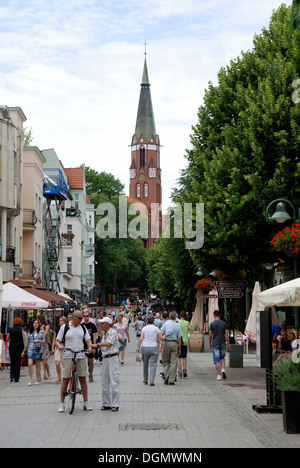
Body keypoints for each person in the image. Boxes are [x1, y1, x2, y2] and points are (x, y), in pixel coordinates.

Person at [55, 310, 93, 412]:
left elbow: (88, 341)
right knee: (66, 379)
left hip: (80, 355)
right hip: (68, 355)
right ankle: (62, 403)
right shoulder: (65, 327)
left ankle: (86, 403)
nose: (82, 320)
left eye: (82, 318)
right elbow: (57, 341)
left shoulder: (83, 328)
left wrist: (89, 347)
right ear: (74, 317)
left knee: (82, 379)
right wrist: (60, 346)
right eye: (80, 318)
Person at [93, 317, 120, 411]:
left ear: (107, 324)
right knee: (104, 381)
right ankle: (106, 403)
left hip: (113, 358)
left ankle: (115, 404)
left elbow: (108, 344)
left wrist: (96, 345)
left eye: (103, 323)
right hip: (105, 358)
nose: (101, 325)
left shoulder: (113, 332)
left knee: (114, 381)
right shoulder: (103, 333)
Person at [137, 314, 163, 386]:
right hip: (153, 347)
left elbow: (141, 339)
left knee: (145, 364)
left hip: (145, 347)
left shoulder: (144, 328)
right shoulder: (156, 329)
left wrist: (138, 348)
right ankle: (151, 380)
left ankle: (145, 379)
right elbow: (161, 338)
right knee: (153, 364)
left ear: (147, 321)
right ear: (153, 321)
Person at [21, 319, 46, 386]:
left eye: (37, 323)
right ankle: (31, 379)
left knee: (38, 365)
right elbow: (27, 342)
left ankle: (37, 378)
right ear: (32, 324)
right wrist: (23, 351)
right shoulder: (30, 333)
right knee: (30, 364)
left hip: (38, 350)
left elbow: (44, 341)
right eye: (35, 323)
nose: (36, 324)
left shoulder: (41, 332)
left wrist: (38, 340)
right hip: (31, 349)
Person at [161, 311, 182, 385]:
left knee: (166, 361)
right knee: (173, 362)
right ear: (176, 317)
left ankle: (166, 377)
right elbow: (179, 339)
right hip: (174, 343)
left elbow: (161, 334)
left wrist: (160, 344)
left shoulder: (165, 324)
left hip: (166, 343)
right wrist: (179, 349)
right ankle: (171, 380)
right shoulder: (177, 326)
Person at [209, 310, 231, 380]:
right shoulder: (224, 324)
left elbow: (210, 335)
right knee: (222, 357)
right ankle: (223, 370)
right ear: (220, 315)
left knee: (216, 359)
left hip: (215, 343)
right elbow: (227, 335)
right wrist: (228, 344)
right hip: (223, 343)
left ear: (214, 316)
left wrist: (210, 343)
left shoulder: (212, 324)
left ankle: (219, 375)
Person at [7, 317, 25, 382]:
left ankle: (11, 376)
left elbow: (7, 337)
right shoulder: (21, 329)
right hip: (20, 347)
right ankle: (16, 378)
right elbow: (24, 338)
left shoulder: (11, 329)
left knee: (12, 362)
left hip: (12, 347)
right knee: (18, 362)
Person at [83, 309, 98, 381]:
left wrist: (94, 346)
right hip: (83, 345)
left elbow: (94, 335)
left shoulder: (92, 325)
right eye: (84, 316)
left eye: (87, 316)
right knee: (82, 361)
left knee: (91, 361)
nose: (86, 317)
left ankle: (91, 374)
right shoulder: (81, 326)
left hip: (90, 345)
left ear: (89, 316)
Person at [51, 316, 67, 384]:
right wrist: (52, 348)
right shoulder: (57, 329)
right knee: (57, 363)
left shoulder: (67, 329)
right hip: (57, 347)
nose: (60, 322)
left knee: (64, 363)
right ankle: (59, 377)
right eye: (60, 321)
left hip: (64, 347)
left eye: (62, 321)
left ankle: (65, 377)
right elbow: (54, 339)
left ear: (65, 322)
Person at [38, 314, 52, 380]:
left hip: (44, 344)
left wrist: (42, 329)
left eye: (38, 320)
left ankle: (47, 372)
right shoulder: (37, 326)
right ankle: (39, 376)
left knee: (44, 361)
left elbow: (45, 334)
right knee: (38, 361)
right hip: (38, 344)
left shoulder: (47, 326)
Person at [177, 311, 190, 378]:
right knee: (184, 357)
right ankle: (184, 370)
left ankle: (179, 372)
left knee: (179, 358)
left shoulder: (177, 323)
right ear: (185, 316)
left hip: (178, 342)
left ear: (179, 316)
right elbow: (188, 330)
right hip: (185, 341)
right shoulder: (187, 323)